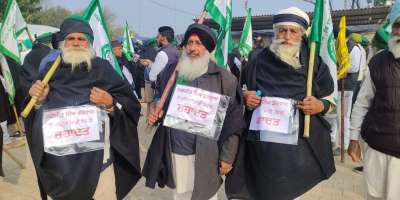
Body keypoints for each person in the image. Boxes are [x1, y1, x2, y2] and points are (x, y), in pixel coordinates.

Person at [22, 16, 141, 200]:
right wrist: (39, 101)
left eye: (81, 38)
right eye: (71, 38)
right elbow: (31, 116)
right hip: (62, 171)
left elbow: (130, 105)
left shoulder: (103, 69)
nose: (76, 42)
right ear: (63, 42)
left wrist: (110, 103)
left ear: (89, 42)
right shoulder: (49, 72)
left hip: (101, 168)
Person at [239, 7, 336, 199]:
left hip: (300, 146)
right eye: (282, 30)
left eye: (293, 31)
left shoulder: (313, 62)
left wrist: (320, 105)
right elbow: (240, 90)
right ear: (275, 33)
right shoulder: (257, 59)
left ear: (301, 34)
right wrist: (245, 96)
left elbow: (331, 99)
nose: (287, 36)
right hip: (265, 145)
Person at [142, 23, 245, 200]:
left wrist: (227, 157)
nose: (193, 48)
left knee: (205, 195)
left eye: (199, 43)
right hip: (175, 150)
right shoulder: (175, 74)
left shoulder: (225, 79)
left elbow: (233, 123)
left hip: (206, 154)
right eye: (190, 43)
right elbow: (165, 105)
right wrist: (157, 114)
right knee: (179, 194)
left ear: (209, 48)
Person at [348, 16, 400, 200]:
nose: (399, 33)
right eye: (397, 28)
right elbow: (362, 103)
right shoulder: (378, 62)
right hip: (378, 148)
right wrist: (353, 138)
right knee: (374, 196)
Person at [142, 26, 179, 100]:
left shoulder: (162, 53)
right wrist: (151, 64)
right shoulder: (176, 51)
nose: (156, 38)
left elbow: (152, 77)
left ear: (163, 37)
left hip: (162, 93)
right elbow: (166, 67)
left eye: (158, 36)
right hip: (172, 93)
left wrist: (149, 69)